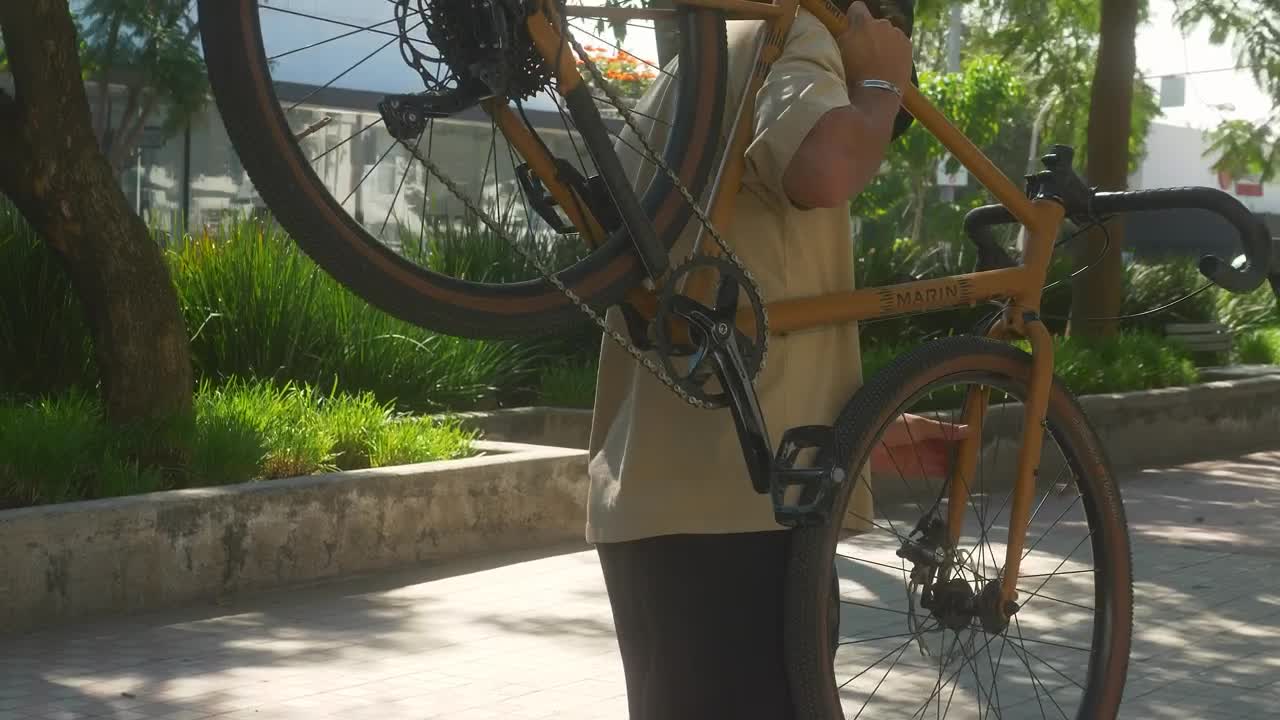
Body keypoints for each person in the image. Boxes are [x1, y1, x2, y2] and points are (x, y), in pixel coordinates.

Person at [586, 3, 962, 718]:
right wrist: (882, 87)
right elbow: (821, 167)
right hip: (744, 512)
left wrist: (860, 425)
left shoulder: (695, 65)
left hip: (656, 500)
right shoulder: (800, 33)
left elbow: (731, 291)